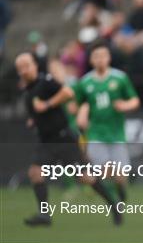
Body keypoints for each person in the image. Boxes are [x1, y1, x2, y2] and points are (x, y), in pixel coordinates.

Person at [15, 52, 121, 226]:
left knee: (85, 177)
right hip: (46, 141)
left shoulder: (46, 81)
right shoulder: (28, 90)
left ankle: (113, 205)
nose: (24, 70)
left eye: (27, 66)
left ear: (35, 65)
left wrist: (48, 104)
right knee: (35, 173)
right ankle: (44, 215)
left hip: (63, 138)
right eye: (20, 68)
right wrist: (33, 119)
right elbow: (38, 111)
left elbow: (68, 92)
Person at [73, 42, 140, 203]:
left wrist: (125, 105)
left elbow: (135, 100)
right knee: (104, 170)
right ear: (91, 60)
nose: (100, 59)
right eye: (96, 57)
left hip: (116, 132)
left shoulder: (120, 78)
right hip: (96, 132)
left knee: (121, 175)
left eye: (103, 56)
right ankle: (110, 198)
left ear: (109, 57)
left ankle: (120, 190)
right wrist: (81, 114)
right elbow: (78, 104)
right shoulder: (85, 82)